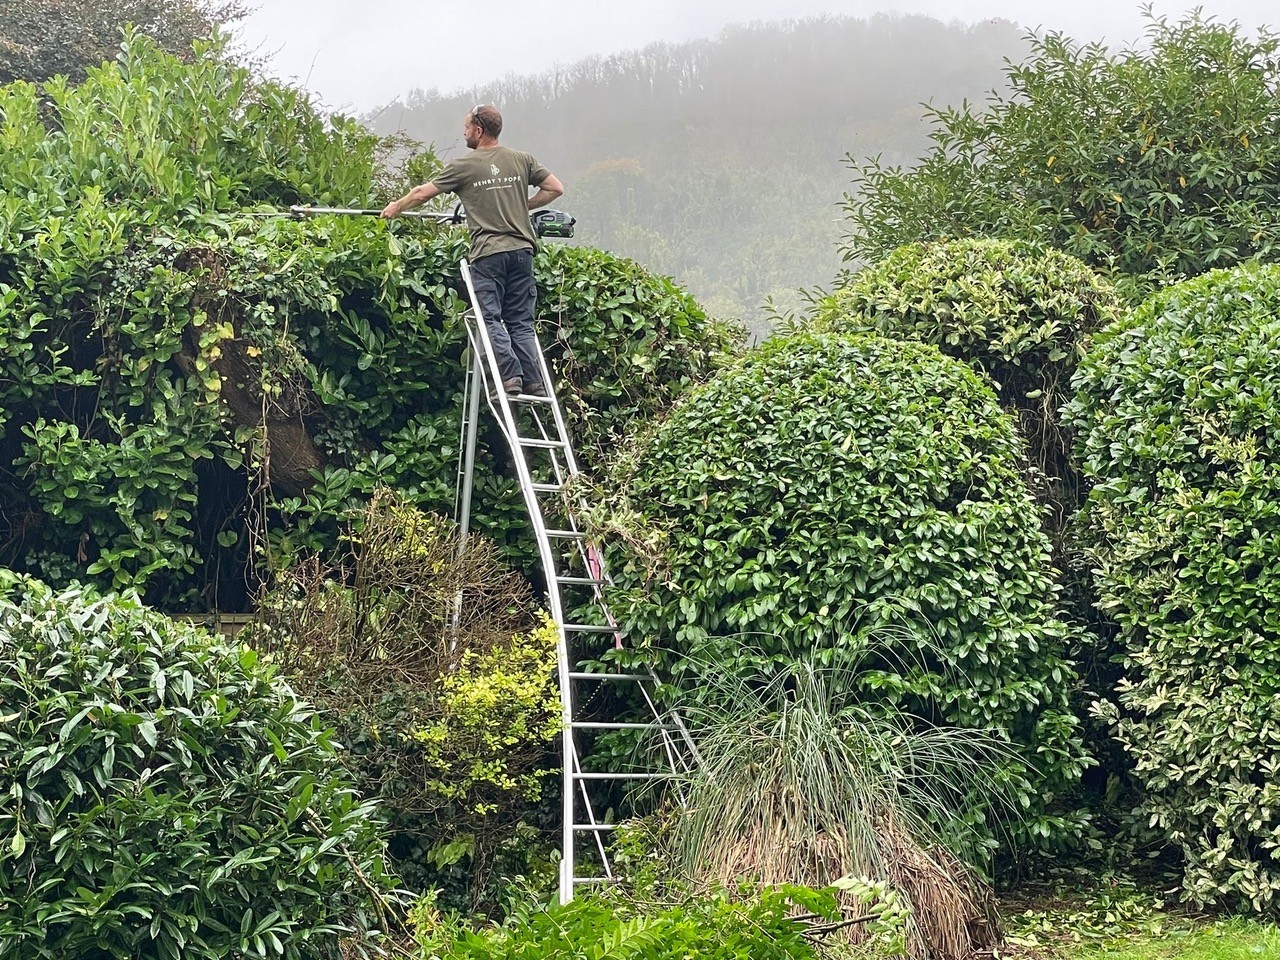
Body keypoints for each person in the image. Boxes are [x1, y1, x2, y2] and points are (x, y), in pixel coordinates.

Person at [381, 104, 564, 397]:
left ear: (478, 131)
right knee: (520, 322)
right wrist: (523, 205)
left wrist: (395, 207)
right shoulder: (521, 159)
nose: (463, 131)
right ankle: (535, 382)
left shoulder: (463, 166)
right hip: (522, 252)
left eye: (466, 127)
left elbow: (421, 193)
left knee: (489, 317)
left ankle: (509, 376)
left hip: (489, 253)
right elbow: (555, 188)